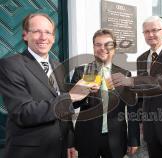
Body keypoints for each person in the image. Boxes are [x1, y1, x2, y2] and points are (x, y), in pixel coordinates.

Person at [0, 13, 98, 158]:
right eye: (37, 31)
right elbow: (24, 113)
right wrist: (71, 96)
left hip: (59, 149)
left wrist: (83, 93)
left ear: (53, 37)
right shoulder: (10, 65)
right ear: (25, 35)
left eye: (48, 32)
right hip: (30, 152)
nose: (43, 37)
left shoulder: (58, 66)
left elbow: (64, 109)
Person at [112, 16, 162, 158]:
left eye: (154, 30)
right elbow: (142, 93)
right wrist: (139, 119)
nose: (150, 35)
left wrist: (131, 81)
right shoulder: (142, 58)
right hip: (151, 126)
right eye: (146, 31)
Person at [71, 29, 140, 158]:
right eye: (98, 44)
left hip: (115, 138)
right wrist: (83, 92)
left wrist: (133, 139)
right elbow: (71, 105)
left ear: (114, 48)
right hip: (87, 137)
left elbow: (132, 110)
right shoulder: (82, 71)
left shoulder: (124, 74)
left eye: (107, 45)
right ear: (93, 47)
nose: (102, 48)